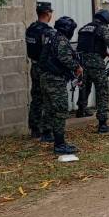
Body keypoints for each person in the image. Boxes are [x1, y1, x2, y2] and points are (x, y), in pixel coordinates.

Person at [39, 16, 83, 155]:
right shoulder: (61, 40)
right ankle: (60, 144)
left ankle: (47, 134)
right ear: (67, 29)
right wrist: (77, 67)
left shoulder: (52, 37)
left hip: (45, 77)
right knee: (60, 111)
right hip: (55, 80)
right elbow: (64, 58)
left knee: (50, 108)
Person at [76, 9, 109, 134]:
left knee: (84, 87)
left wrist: (108, 54)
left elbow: (92, 45)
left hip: (82, 63)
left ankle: (81, 110)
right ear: (106, 19)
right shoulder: (102, 28)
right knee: (103, 91)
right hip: (96, 64)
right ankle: (102, 124)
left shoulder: (84, 28)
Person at [25, 1, 53, 140]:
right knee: (48, 98)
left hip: (34, 66)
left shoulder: (31, 28)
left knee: (36, 98)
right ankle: (47, 130)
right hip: (44, 69)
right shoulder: (47, 31)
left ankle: (34, 129)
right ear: (48, 14)